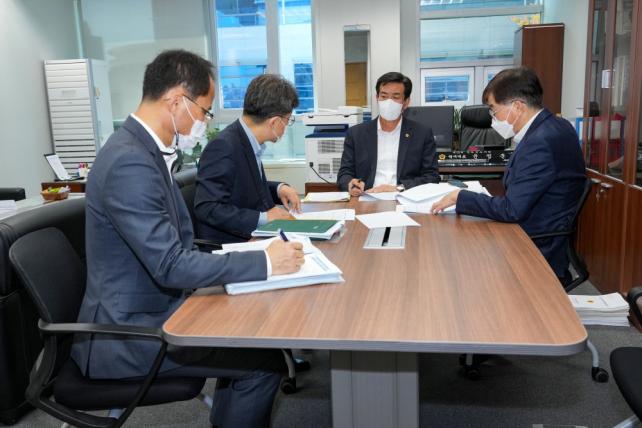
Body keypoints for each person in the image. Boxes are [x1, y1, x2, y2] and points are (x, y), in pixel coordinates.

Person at [71, 50, 305, 428]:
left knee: (253, 339)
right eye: (205, 111)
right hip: (128, 335)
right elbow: (169, 264)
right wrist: (265, 261)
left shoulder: (142, 150)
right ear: (177, 101)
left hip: (152, 310)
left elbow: (173, 248)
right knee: (263, 363)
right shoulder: (130, 161)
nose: (205, 122)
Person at [432, 66, 586, 283]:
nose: (492, 118)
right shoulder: (557, 126)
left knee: (456, 263)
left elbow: (512, 210)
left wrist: (460, 197)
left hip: (534, 247)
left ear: (517, 106)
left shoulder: (540, 142)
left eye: (493, 110)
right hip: (539, 231)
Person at [195, 74, 302, 244]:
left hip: (255, 238)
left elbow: (245, 188)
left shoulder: (248, 140)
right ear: (274, 122)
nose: (286, 127)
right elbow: (207, 208)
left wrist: (279, 189)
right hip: (233, 245)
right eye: (288, 120)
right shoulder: (223, 146)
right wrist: (264, 217)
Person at [337, 72, 439, 197]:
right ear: (377, 98)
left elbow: (432, 176)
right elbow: (344, 173)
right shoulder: (356, 134)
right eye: (384, 96)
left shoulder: (422, 134)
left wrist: (399, 188)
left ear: (406, 102)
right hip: (367, 197)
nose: (388, 102)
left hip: (404, 198)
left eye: (395, 97)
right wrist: (351, 183)